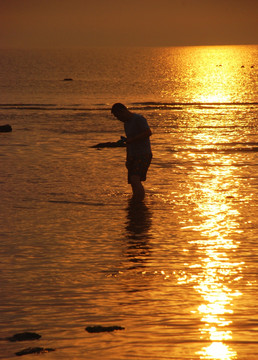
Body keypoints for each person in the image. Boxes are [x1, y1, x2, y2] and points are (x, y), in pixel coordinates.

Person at [111, 103, 152, 201]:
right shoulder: (126, 124)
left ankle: (139, 201)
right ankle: (137, 200)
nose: (118, 119)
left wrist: (132, 139)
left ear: (123, 111)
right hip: (133, 154)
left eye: (118, 116)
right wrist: (128, 158)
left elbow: (148, 132)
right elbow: (129, 142)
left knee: (135, 178)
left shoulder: (138, 119)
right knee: (133, 181)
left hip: (143, 153)